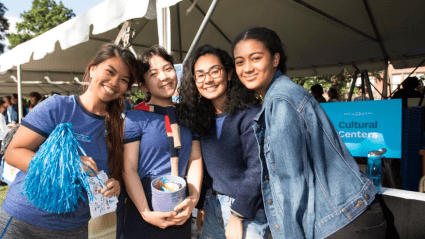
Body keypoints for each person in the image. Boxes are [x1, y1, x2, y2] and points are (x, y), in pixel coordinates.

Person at [232, 27, 385, 239]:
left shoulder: (282, 99)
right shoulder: (278, 95)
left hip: (342, 223)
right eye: (240, 62)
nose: (247, 68)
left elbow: (292, 181)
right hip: (344, 216)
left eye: (256, 58)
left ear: (275, 59)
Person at [0, 43, 141, 238]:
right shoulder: (58, 107)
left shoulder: (119, 126)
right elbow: (13, 153)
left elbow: (107, 174)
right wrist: (69, 165)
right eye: (110, 71)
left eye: (124, 80)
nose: (115, 82)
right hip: (25, 223)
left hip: (75, 230)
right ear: (92, 69)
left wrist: (114, 185)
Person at [178, 45, 268, 239]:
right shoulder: (203, 118)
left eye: (214, 71)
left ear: (228, 74)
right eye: (200, 75)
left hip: (247, 211)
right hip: (213, 206)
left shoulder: (249, 115)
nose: (207, 80)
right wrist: (201, 205)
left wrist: (237, 216)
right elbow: (206, 169)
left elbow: (258, 169)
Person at [117, 45, 203, 239]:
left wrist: (193, 198)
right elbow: (128, 168)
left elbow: (195, 159)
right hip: (145, 204)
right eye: (154, 73)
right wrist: (146, 213)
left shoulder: (188, 115)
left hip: (181, 205)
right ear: (144, 85)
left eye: (168, 69)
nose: (164, 77)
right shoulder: (135, 118)